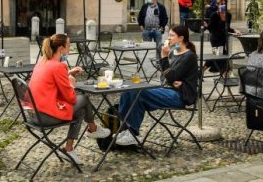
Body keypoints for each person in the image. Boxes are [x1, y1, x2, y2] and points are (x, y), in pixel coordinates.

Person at [27, 33, 110, 164]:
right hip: (44, 117)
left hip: (32, 115)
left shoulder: (42, 62)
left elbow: (51, 77)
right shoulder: (58, 66)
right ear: (61, 49)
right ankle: (93, 129)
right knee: (83, 98)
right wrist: (71, 84)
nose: (70, 47)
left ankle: (69, 148)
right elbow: (71, 98)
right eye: (68, 45)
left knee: (81, 111)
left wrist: (68, 73)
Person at [116, 25, 198, 146]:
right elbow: (166, 76)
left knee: (139, 92)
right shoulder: (173, 52)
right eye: (168, 35)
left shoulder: (188, 56)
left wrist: (164, 57)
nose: (168, 38)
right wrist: (171, 77)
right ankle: (125, 129)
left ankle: (133, 133)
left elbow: (170, 76)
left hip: (179, 96)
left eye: (171, 36)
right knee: (129, 91)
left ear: (181, 38)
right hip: (166, 89)